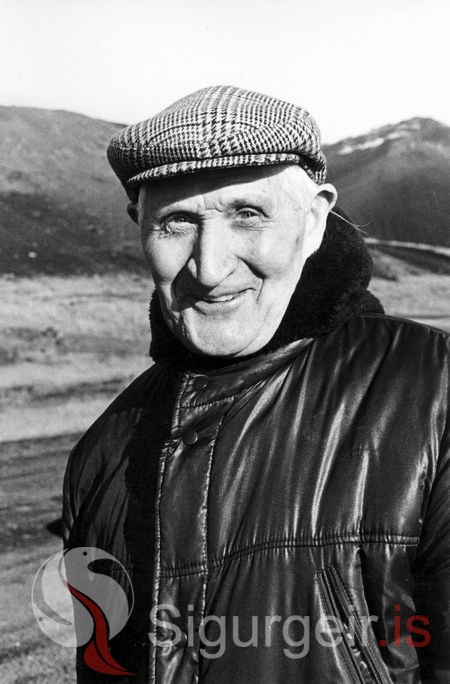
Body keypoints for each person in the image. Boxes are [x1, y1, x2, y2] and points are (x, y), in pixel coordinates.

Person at [62, 85, 449, 683]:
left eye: (247, 214)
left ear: (314, 220)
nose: (210, 267)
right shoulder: (102, 451)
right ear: (139, 229)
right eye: (176, 223)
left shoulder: (432, 391)